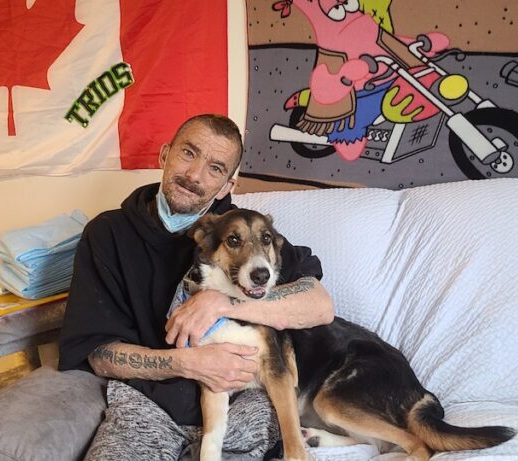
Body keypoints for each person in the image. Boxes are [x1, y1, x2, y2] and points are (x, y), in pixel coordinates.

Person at [58, 114, 335, 459]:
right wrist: (189, 363)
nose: (194, 175)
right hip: (147, 404)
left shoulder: (244, 231)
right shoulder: (108, 235)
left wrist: (224, 303)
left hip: (242, 402)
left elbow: (320, 305)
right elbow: (98, 355)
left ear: (227, 186)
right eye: (188, 153)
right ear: (164, 155)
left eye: (216, 168)